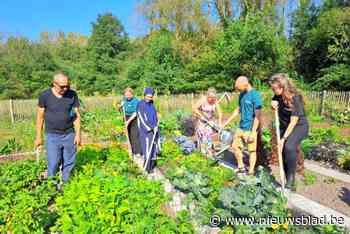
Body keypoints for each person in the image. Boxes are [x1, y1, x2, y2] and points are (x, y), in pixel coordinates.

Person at [34, 73, 81, 184]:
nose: (65, 88)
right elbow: (40, 117)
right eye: (62, 86)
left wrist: (78, 135)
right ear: (54, 84)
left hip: (69, 134)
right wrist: (38, 137)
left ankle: (65, 186)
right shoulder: (45, 96)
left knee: (69, 162)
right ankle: (51, 187)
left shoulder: (72, 94)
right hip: (52, 135)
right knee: (53, 162)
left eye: (67, 86)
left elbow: (77, 116)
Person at [269, 73, 309, 191]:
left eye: (274, 88)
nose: (273, 90)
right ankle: (286, 180)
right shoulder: (277, 96)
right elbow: (275, 105)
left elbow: (294, 121)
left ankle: (290, 181)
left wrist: (283, 138)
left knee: (289, 146)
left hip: (299, 126)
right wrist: (272, 105)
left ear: (282, 86)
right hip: (285, 126)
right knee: (282, 152)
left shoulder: (296, 98)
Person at [223, 76, 262, 175]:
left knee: (252, 151)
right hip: (241, 127)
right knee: (235, 146)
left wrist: (253, 132)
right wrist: (228, 121)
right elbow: (238, 109)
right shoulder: (242, 95)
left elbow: (258, 115)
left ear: (246, 83)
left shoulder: (255, 95)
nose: (238, 90)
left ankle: (251, 171)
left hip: (250, 128)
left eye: (239, 88)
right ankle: (241, 167)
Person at [136, 87, 160, 173]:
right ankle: (147, 167)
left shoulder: (152, 104)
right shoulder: (140, 104)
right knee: (147, 147)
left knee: (153, 147)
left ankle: (152, 165)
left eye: (151, 96)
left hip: (154, 129)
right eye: (148, 96)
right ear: (144, 95)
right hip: (145, 130)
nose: (149, 98)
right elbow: (141, 118)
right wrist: (150, 128)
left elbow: (154, 116)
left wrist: (156, 124)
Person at [193, 88, 222, 156]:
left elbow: (220, 113)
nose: (212, 99)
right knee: (202, 136)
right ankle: (203, 153)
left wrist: (220, 123)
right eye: (210, 97)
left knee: (208, 136)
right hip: (201, 121)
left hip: (210, 122)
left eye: (213, 98)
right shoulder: (203, 100)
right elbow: (194, 108)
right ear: (207, 96)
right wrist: (201, 115)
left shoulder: (215, 101)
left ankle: (208, 152)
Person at [120, 88, 142, 157]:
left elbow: (136, 112)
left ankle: (138, 151)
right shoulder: (124, 100)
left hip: (134, 118)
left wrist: (128, 121)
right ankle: (131, 150)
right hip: (126, 117)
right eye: (126, 95)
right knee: (128, 134)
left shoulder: (136, 101)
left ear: (132, 94)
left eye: (129, 95)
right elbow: (120, 110)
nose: (127, 96)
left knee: (134, 134)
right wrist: (120, 106)